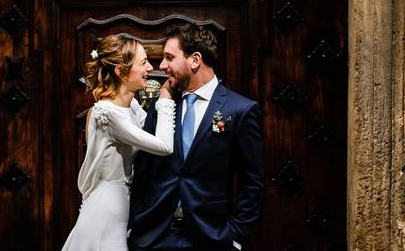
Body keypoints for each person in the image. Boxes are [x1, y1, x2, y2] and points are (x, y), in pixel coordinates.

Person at [129, 24, 264, 251]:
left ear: (195, 60)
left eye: (169, 58)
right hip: (154, 236)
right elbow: (144, 168)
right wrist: (135, 223)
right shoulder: (162, 106)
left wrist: (235, 236)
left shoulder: (240, 110)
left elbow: (253, 183)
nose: (162, 66)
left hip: (211, 237)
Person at [61, 33, 177, 251]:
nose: (150, 69)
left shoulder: (129, 104)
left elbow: (149, 131)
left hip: (122, 205)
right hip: (106, 209)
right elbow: (164, 146)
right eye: (143, 63)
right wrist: (165, 100)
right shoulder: (106, 112)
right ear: (121, 71)